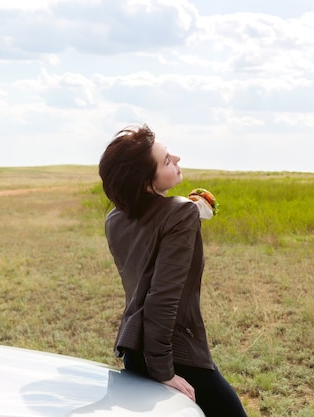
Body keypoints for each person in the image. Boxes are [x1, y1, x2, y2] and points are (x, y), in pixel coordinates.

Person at [98, 124, 248, 417]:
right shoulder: (180, 213)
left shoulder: (115, 217)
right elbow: (162, 298)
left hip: (134, 349)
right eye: (166, 160)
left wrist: (187, 218)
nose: (177, 159)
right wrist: (163, 370)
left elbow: (149, 252)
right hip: (172, 352)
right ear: (145, 182)